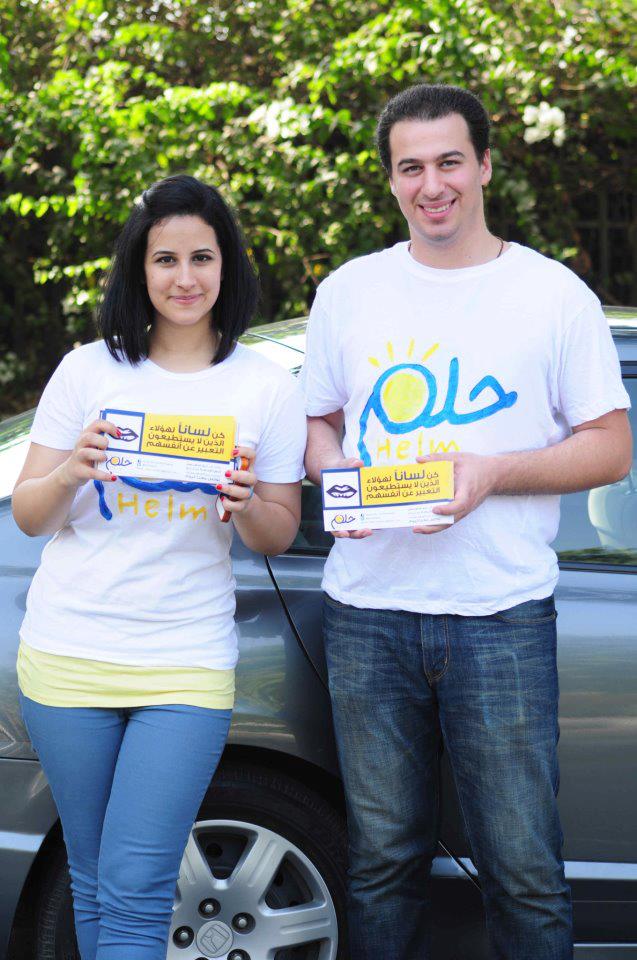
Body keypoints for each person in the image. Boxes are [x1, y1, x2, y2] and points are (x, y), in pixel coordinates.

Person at [301, 84, 632, 960]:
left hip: (500, 617)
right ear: (390, 180)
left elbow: (610, 448)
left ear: (483, 165)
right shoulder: (350, 291)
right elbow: (315, 422)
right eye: (410, 168)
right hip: (366, 614)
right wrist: (336, 479)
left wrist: (492, 473)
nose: (431, 185)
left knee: (523, 873)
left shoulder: (552, 294)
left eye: (448, 161)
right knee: (380, 866)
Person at [12, 174, 306, 960]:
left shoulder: (264, 387)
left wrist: (246, 501)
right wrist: (70, 470)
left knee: (137, 888)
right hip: (68, 656)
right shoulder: (88, 371)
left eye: (201, 257)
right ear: (138, 270)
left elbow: (278, 533)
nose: (184, 278)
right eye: (165, 259)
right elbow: (30, 516)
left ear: (226, 265)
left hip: (184, 663)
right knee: (92, 879)